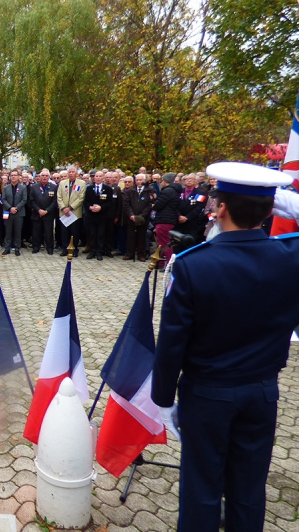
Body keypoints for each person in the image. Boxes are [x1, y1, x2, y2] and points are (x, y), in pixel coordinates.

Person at [151, 162, 299, 532]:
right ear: (271, 210)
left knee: (201, 487)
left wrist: (163, 398)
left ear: (220, 208)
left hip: (207, 394)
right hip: (262, 392)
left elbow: (173, 343)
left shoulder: (193, 265)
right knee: (248, 489)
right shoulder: (290, 258)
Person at [151, 172, 183, 264]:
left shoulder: (168, 191)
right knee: (162, 242)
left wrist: (153, 204)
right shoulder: (175, 191)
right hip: (169, 219)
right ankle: (159, 262)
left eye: (162, 180)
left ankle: (169, 263)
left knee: (164, 243)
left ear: (165, 181)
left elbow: (159, 205)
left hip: (164, 219)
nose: (161, 182)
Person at [56, 165, 86, 256]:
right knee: (64, 232)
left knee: (75, 232)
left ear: (76, 173)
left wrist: (70, 208)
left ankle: (74, 249)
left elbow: (81, 198)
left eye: (73, 172)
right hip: (64, 212)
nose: (71, 173)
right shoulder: (62, 183)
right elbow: (59, 196)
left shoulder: (81, 183)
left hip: (75, 212)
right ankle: (65, 249)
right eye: (69, 172)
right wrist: (64, 208)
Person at [83, 170, 112, 260]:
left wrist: (101, 207)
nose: (98, 178)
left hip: (102, 216)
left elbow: (110, 202)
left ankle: (99, 252)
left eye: (100, 176)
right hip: (91, 216)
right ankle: (92, 251)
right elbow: (85, 201)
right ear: (94, 178)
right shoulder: (89, 188)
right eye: (96, 176)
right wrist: (90, 207)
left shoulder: (108, 189)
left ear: (103, 178)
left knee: (100, 235)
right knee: (92, 234)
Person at [122, 173, 152, 261]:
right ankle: (130, 253)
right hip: (131, 217)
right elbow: (127, 204)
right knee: (130, 237)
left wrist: (141, 216)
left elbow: (150, 205)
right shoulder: (131, 190)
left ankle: (141, 254)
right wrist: (131, 215)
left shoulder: (148, 191)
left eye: (140, 180)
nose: (139, 182)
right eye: (137, 180)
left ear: (144, 181)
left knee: (141, 237)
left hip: (143, 218)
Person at [29, 169, 58, 255]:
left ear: (49, 177)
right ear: (39, 177)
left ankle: (49, 248)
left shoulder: (53, 187)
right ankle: (36, 247)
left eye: (46, 176)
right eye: (43, 176)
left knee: (49, 232)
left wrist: (47, 210)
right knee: (36, 232)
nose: (44, 177)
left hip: (48, 214)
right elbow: (31, 200)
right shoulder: (34, 187)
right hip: (37, 213)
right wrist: (38, 210)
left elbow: (55, 201)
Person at [2, 170, 27, 256]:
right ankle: (7, 248)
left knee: (18, 231)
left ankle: (17, 248)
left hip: (19, 212)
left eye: (15, 175)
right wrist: (10, 208)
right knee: (8, 231)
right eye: (11, 175)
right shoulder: (6, 187)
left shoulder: (23, 187)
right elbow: (3, 199)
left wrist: (16, 208)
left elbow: (24, 199)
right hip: (7, 212)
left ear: (18, 177)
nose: (13, 177)